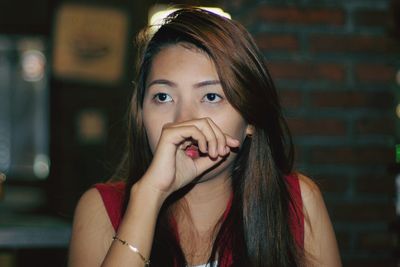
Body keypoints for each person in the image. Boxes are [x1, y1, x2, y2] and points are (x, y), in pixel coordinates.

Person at [68, 7, 341, 267]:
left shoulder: (298, 202)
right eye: (163, 97)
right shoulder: (102, 209)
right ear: (140, 114)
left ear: (251, 119)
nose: (184, 121)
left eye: (211, 96)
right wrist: (148, 196)